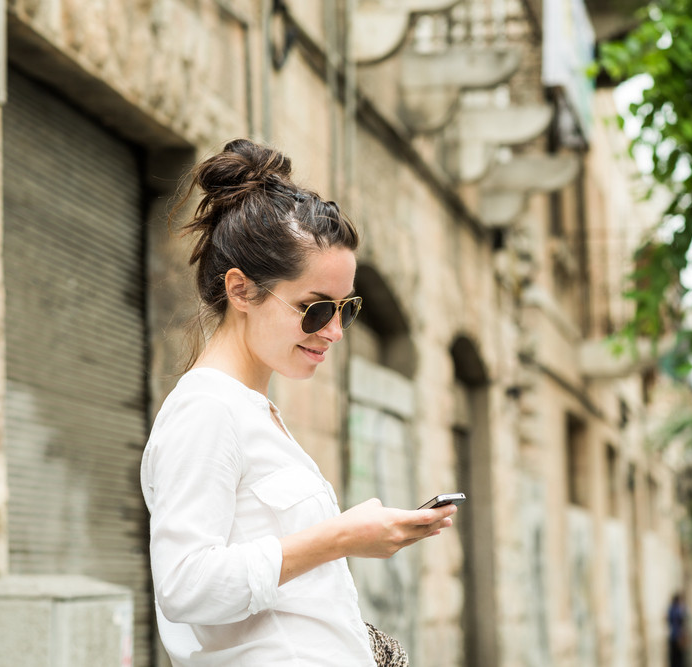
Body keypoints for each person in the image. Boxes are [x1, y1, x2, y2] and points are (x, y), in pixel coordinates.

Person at [140, 139, 458, 666]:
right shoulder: (206, 411)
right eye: (314, 310)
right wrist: (342, 536)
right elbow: (184, 584)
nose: (334, 332)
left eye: (345, 309)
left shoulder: (252, 410)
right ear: (242, 291)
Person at [667, 592, 688, 667]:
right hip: (678, 636)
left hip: (673, 636)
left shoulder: (670, 609)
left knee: (674, 659)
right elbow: (682, 620)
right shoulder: (678, 609)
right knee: (679, 659)